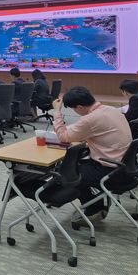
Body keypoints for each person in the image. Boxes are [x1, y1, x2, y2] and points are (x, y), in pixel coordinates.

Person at [53, 86, 132, 218]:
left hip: (110, 171)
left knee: (67, 172)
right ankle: (96, 204)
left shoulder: (90, 119)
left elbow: (63, 137)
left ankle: (94, 208)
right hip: (125, 167)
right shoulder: (111, 110)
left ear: (79, 107)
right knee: (77, 164)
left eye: (73, 109)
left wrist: (57, 111)